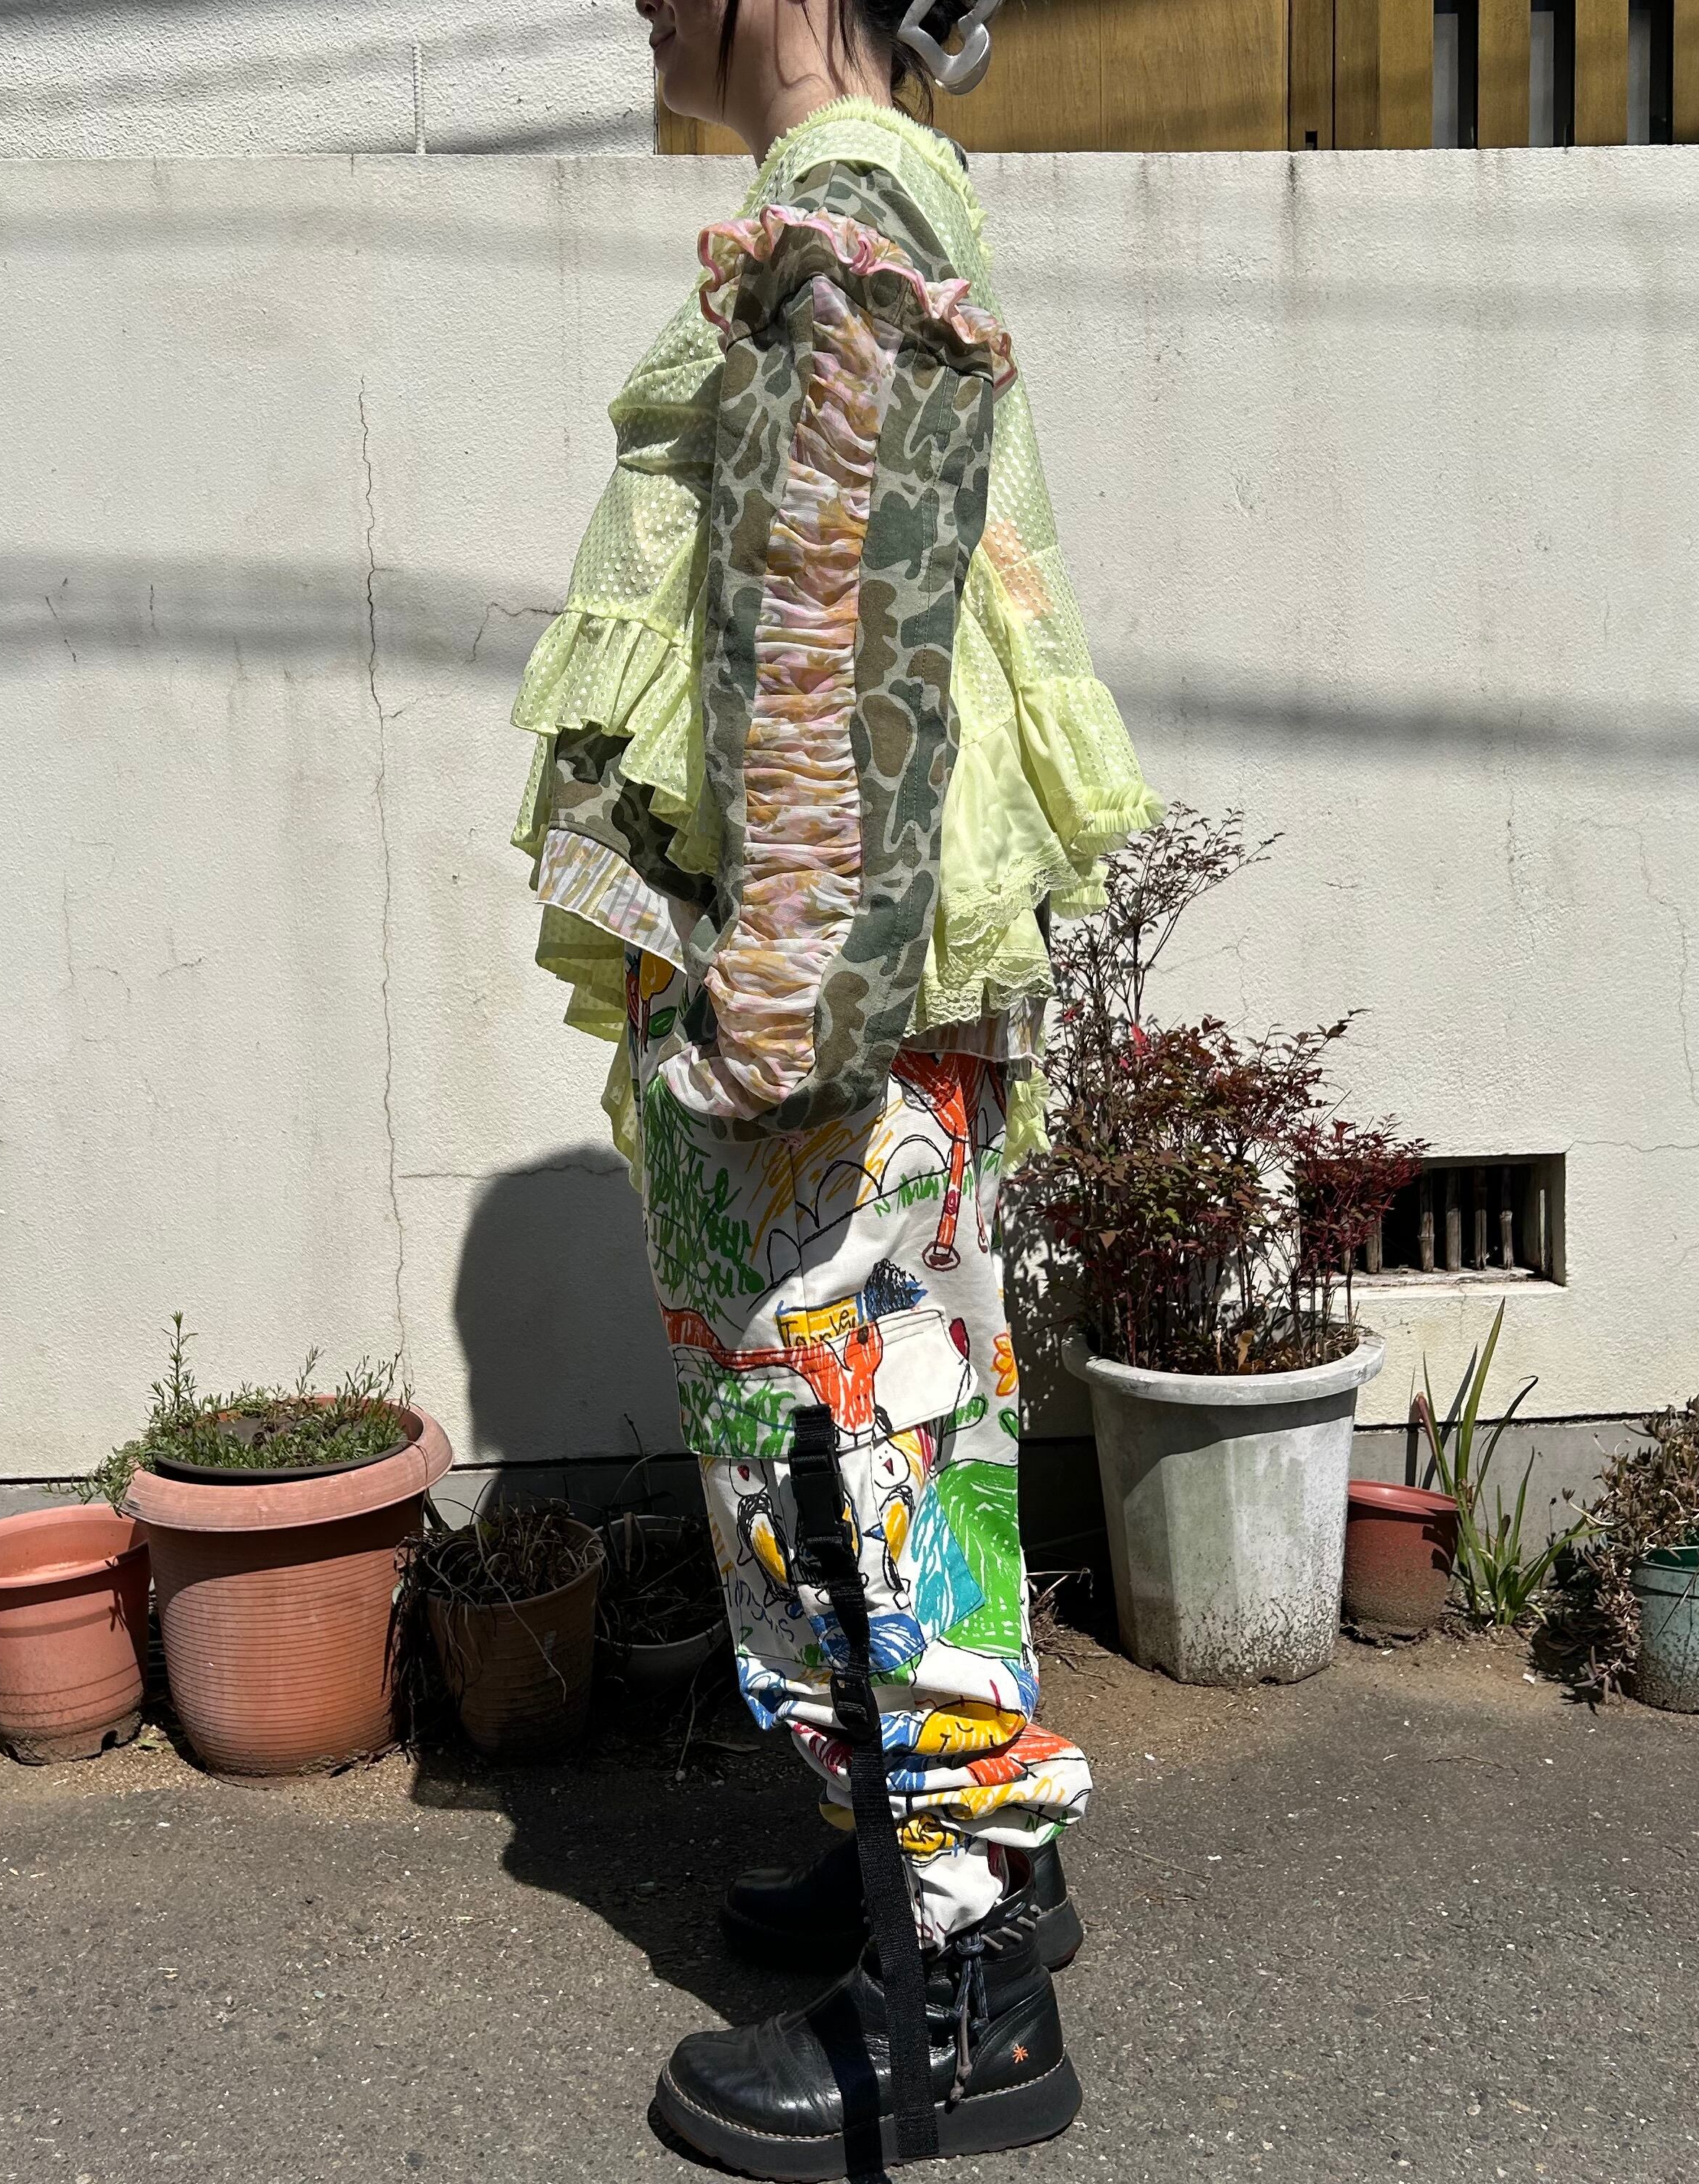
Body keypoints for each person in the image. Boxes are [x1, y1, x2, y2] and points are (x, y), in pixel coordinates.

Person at [510, 1, 1159, 2170]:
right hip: (868, 984)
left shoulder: (841, 204)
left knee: (849, 1463)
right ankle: (954, 1873)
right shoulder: (880, 193)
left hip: (815, 1013)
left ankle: (957, 2007)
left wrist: (770, 1024)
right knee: (891, 1438)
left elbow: (830, 638)